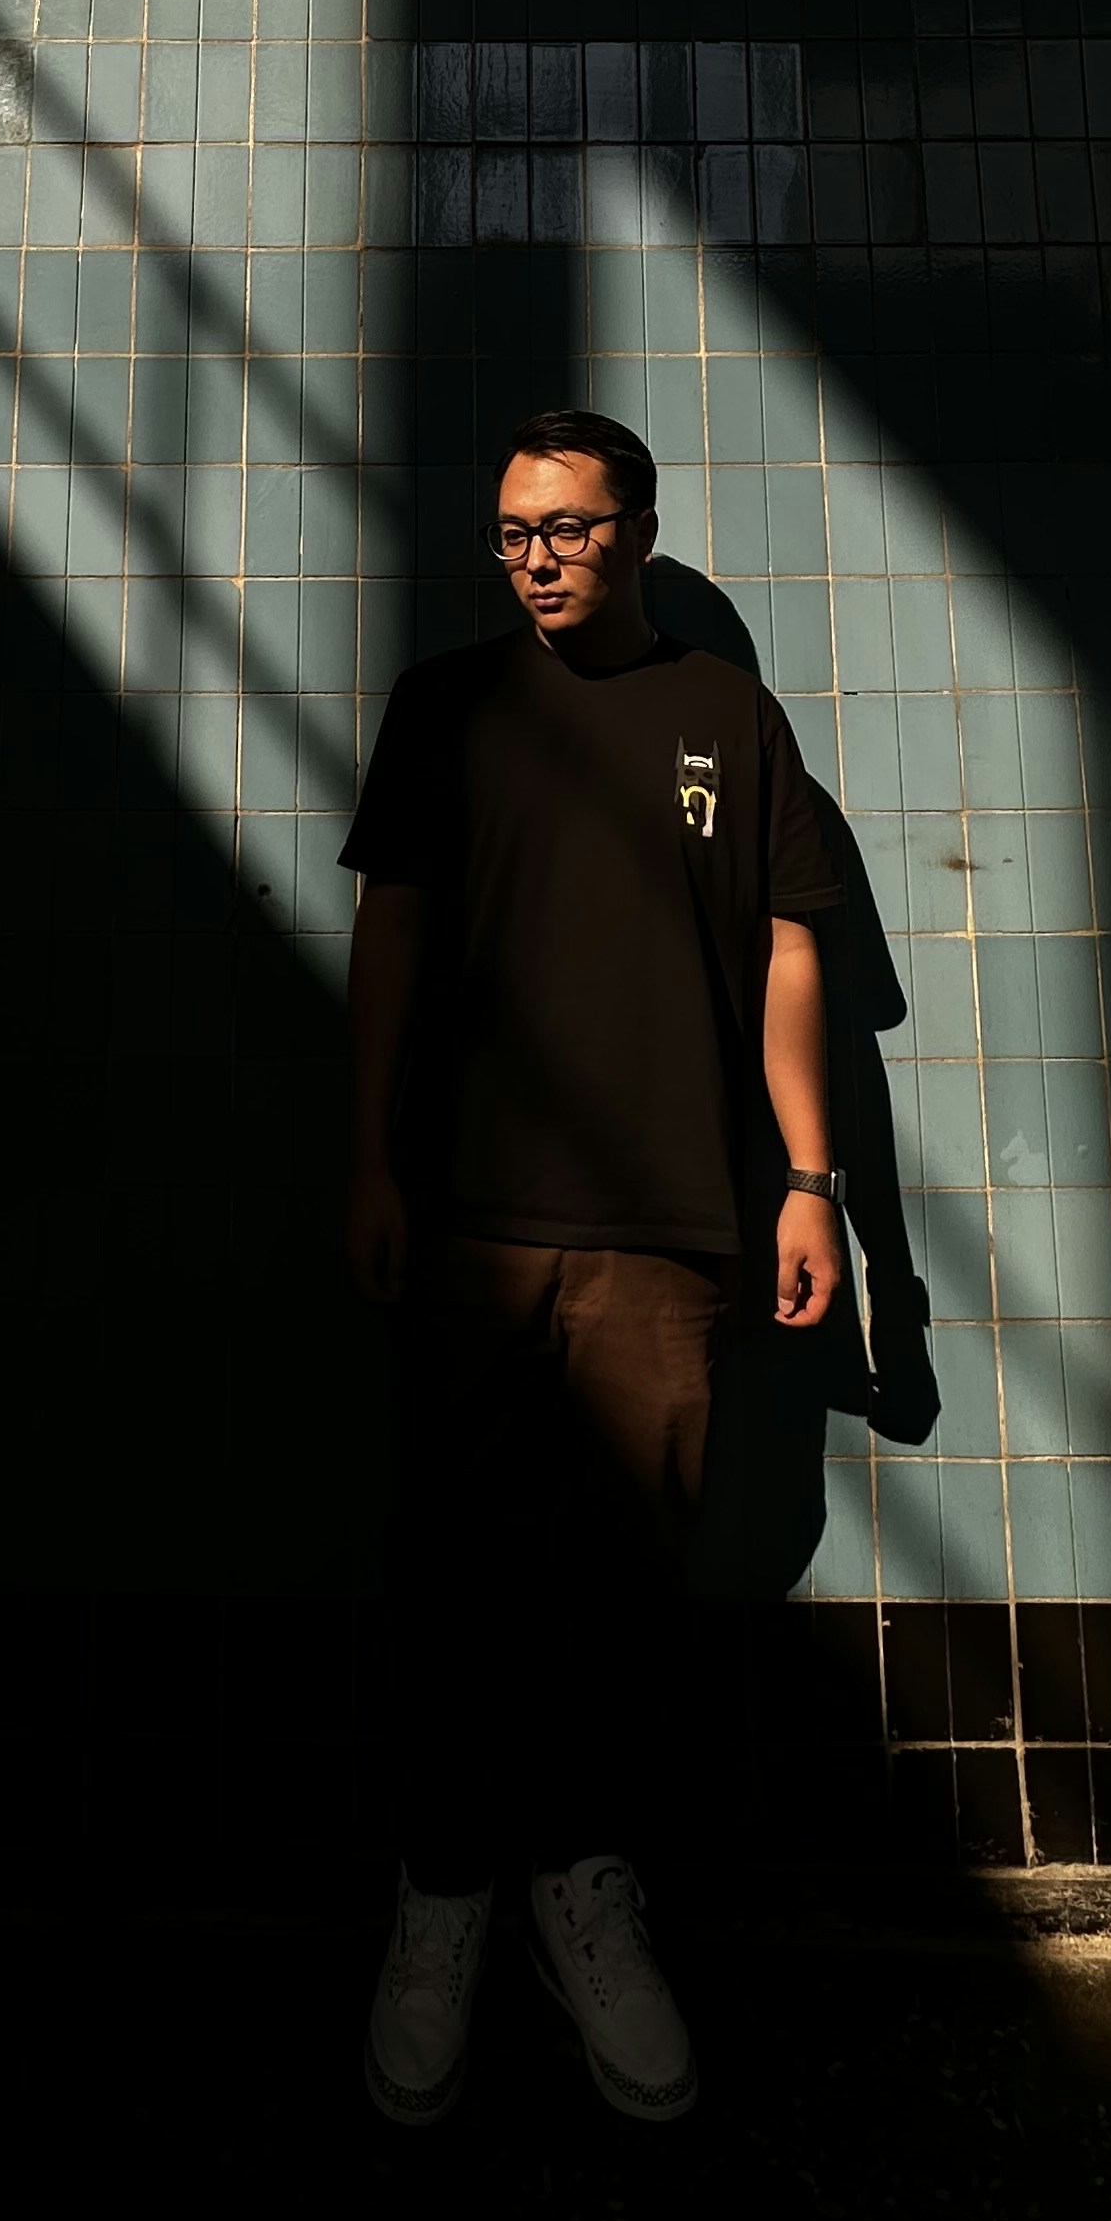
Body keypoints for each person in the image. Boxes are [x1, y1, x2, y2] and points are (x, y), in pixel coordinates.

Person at [340, 405, 844, 2127]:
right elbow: (389, 936)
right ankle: (445, 1890)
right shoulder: (448, 709)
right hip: (472, 1213)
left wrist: (811, 1182)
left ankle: (583, 1881)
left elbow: (791, 955)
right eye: (512, 532)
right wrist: (370, 1160)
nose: (537, 555)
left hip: (667, 1231)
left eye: (565, 526)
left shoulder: (727, 717)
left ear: (636, 528)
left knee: (625, 1580)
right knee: (454, 1564)